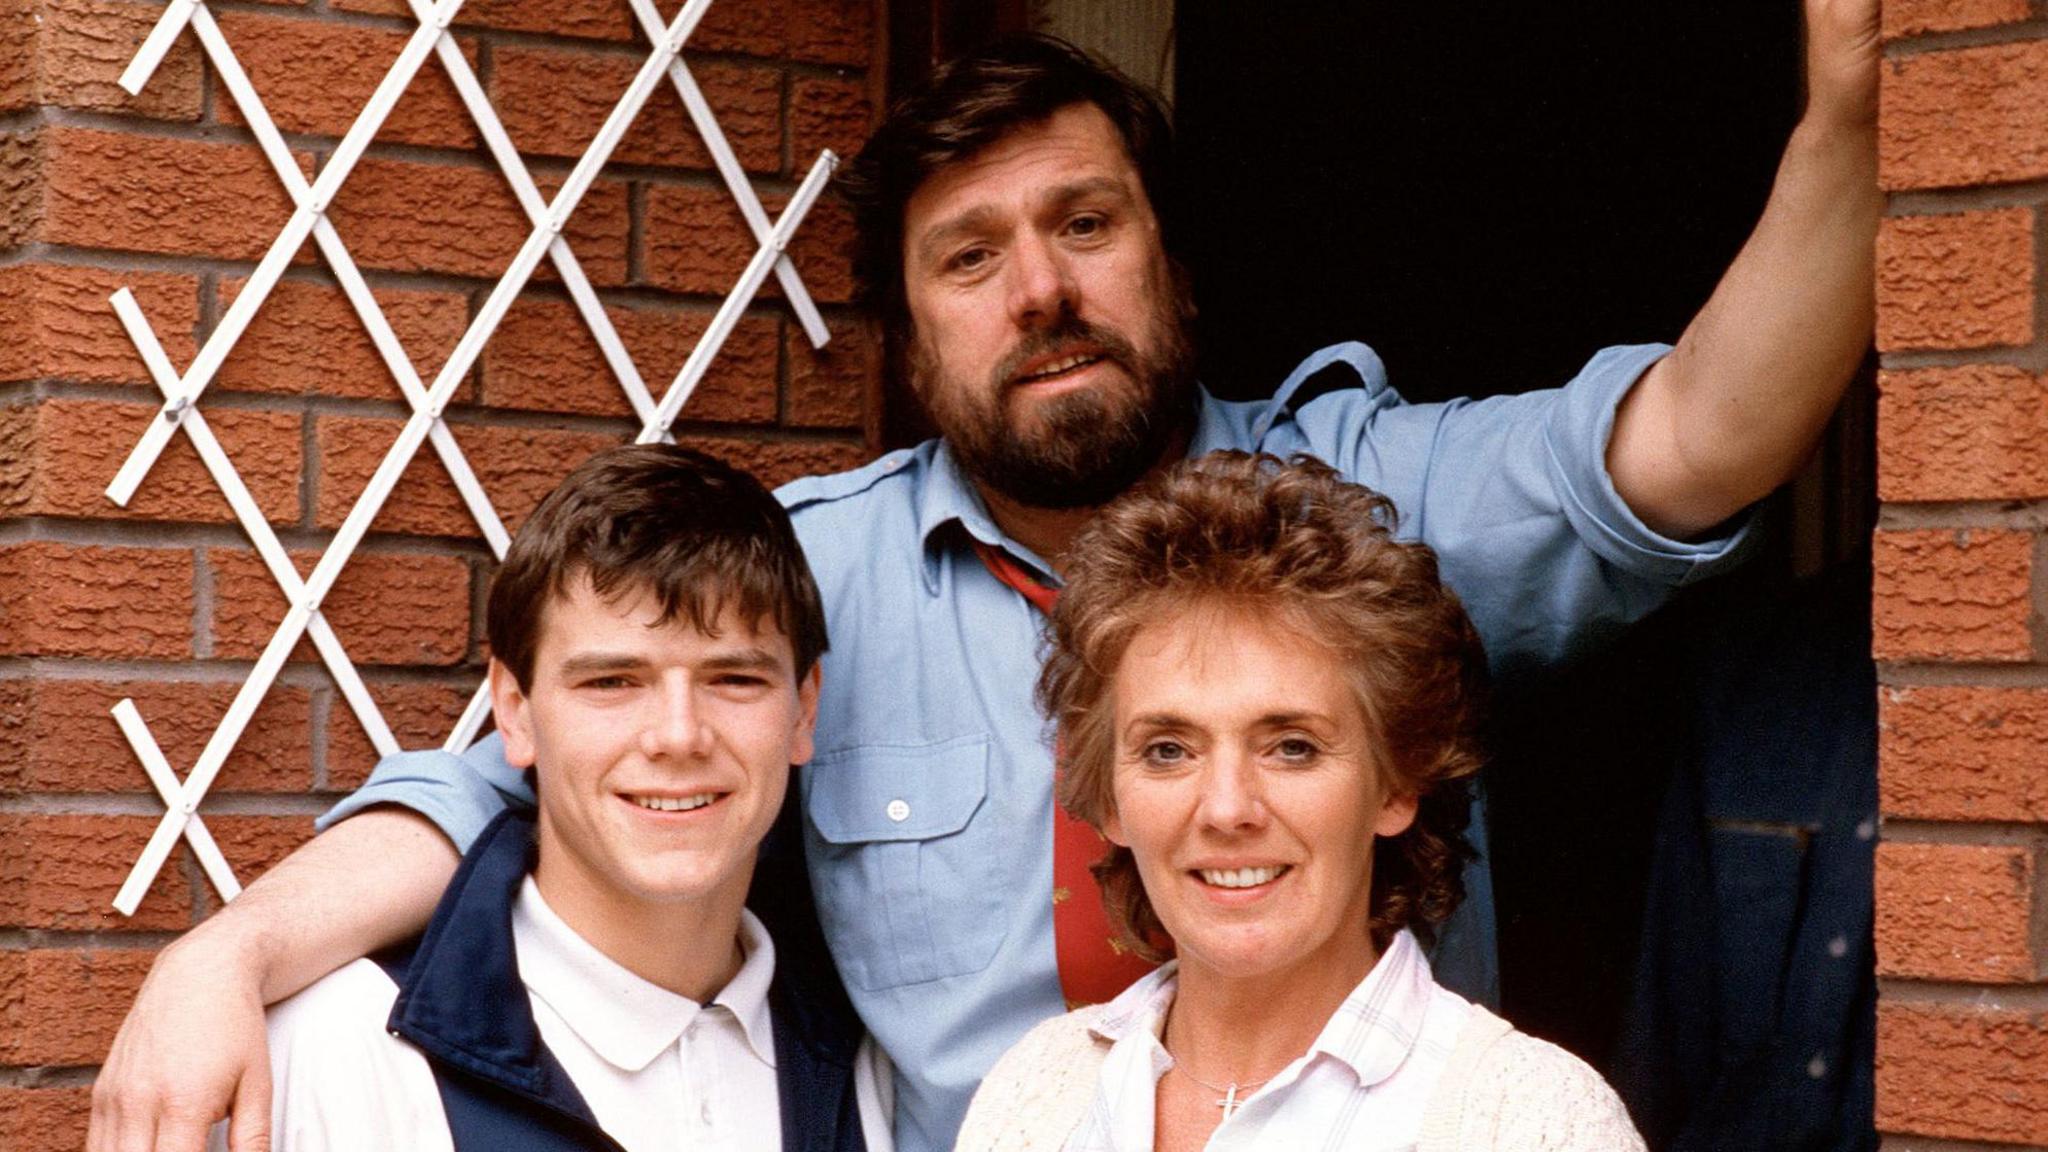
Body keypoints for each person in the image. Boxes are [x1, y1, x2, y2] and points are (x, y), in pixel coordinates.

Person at [89, 8, 1880, 1151]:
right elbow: (510, 773)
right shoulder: (805, 582)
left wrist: (1851, 139)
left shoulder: (1362, 501)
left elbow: (1697, 438)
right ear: (906, 332)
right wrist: (232, 951)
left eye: (1083, 227)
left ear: (1166, 260)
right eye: (970, 257)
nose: (1039, 290)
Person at [958, 451, 1643, 1151]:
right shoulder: (1037, 1088)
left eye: (1293, 747)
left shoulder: (1532, 1120)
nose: (1227, 809)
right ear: (1109, 797)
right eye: (1169, 749)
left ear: (1397, 782)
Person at [252, 445, 890, 1152]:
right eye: (612, 682)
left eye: (735, 679)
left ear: (803, 711)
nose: (679, 736)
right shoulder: (351, 1051)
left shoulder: (864, 1051)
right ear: (515, 711)